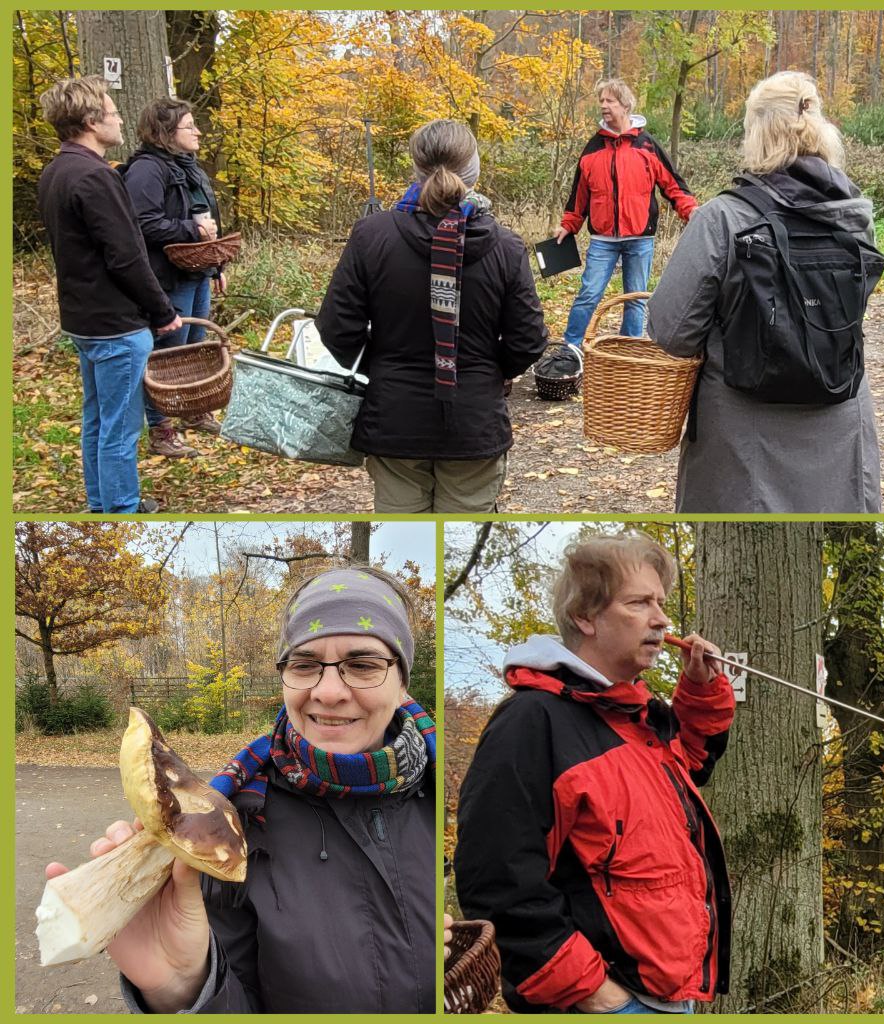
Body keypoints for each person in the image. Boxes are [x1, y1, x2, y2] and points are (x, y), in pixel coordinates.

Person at [46, 565, 436, 1012]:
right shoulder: (231, 831)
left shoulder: (447, 793)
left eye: (363, 665)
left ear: (402, 680)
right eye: (305, 664)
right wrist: (183, 985)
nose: (328, 692)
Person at [455, 534, 733, 1014]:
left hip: (668, 994)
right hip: (600, 999)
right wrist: (596, 995)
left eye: (661, 603)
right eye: (639, 603)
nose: (662, 619)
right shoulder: (533, 721)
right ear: (586, 616)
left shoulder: (636, 717)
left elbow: (691, 767)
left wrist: (700, 689)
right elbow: (496, 878)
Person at [649, 71, 882, 513]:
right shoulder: (856, 216)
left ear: (755, 134)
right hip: (838, 424)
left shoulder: (722, 219)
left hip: (741, 434)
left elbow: (672, 332)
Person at [317, 120, 547, 512]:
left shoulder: (372, 236)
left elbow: (337, 328)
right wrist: (490, 370)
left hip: (394, 418)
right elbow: (527, 341)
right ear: (475, 170)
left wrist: (383, 365)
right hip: (473, 421)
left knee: (408, 542)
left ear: (415, 169)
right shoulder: (505, 247)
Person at [36, 76, 181, 514]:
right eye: (113, 113)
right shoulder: (96, 177)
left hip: (83, 320)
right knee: (119, 427)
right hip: (115, 324)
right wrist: (162, 311)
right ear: (90, 121)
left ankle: (102, 503)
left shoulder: (55, 170)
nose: (119, 121)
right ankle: (120, 509)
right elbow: (127, 257)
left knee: (97, 419)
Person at [556, 78, 697, 349]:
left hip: (640, 238)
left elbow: (672, 184)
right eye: (601, 101)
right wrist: (568, 224)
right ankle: (570, 349)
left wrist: (690, 211)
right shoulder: (593, 148)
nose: (603, 106)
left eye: (609, 101)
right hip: (602, 241)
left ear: (625, 105)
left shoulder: (646, 146)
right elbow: (579, 196)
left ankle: (628, 353)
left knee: (635, 299)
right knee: (589, 294)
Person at [122, 98, 227, 455]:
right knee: (168, 353)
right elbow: (142, 221)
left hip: (195, 273)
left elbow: (206, 220)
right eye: (189, 126)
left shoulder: (188, 166)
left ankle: (194, 411)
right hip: (167, 276)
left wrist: (216, 268)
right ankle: (160, 429)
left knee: (196, 345)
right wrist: (188, 229)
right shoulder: (147, 170)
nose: (198, 132)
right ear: (166, 132)